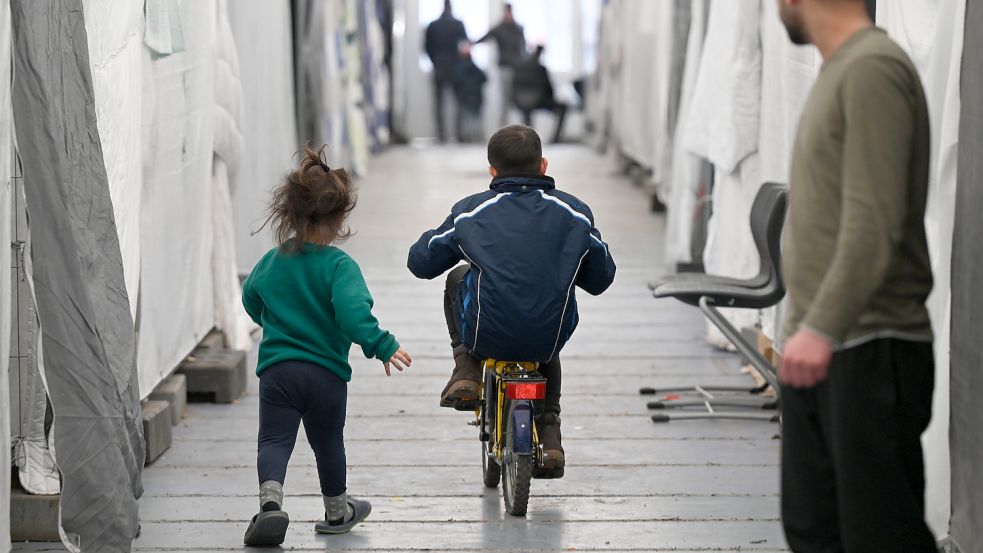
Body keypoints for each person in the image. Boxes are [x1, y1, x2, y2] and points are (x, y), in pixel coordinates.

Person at [776, 1, 935, 551]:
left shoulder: (872, 69)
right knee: (815, 528)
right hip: (827, 343)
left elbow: (874, 218)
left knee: (879, 532)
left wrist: (821, 327)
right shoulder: (841, 68)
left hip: (866, 343)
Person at [406, 125, 617, 477]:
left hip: (485, 333)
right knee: (550, 306)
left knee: (457, 278)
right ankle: (550, 433)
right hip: (548, 336)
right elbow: (602, 278)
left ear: (492, 171)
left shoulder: (471, 213)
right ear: (543, 166)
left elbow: (421, 263)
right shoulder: (575, 214)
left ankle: (466, 368)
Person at [241, 146, 412, 546]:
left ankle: (270, 505)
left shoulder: (272, 260)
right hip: (326, 375)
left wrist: (274, 323)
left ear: (293, 214)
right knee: (328, 443)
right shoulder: (340, 266)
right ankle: (337, 510)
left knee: (274, 440)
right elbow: (353, 316)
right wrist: (382, 345)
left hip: (278, 371)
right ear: (339, 218)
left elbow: (250, 297)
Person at [425, 0, 468, 143]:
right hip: (456, 67)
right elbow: (464, 45)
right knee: (459, 103)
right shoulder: (458, 24)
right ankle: (459, 134)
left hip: (439, 66)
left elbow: (427, 47)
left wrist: (435, 61)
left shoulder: (433, 25)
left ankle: (441, 135)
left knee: (439, 103)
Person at [476, 4, 526, 126]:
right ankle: (503, 128)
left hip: (518, 68)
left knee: (520, 99)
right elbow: (485, 37)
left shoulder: (518, 28)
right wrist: (471, 44)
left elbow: (523, 47)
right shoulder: (499, 28)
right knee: (505, 99)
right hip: (505, 68)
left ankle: (523, 130)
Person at [513, 45, 569, 144]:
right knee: (563, 107)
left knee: (527, 109)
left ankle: (527, 140)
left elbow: (513, 87)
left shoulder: (519, 67)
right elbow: (549, 89)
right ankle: (556, 138)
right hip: (539, 101)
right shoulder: (541, 68)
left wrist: (515, 101)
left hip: (520, 102)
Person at [453, 42, 487, 143]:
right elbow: (484, 78)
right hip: (476, 96)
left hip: (464, 97)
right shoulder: (475, 67)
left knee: (465, 117)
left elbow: (455, 82)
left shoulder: (458, 68)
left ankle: (466, 137)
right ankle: (476, 136)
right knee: (475, 118)